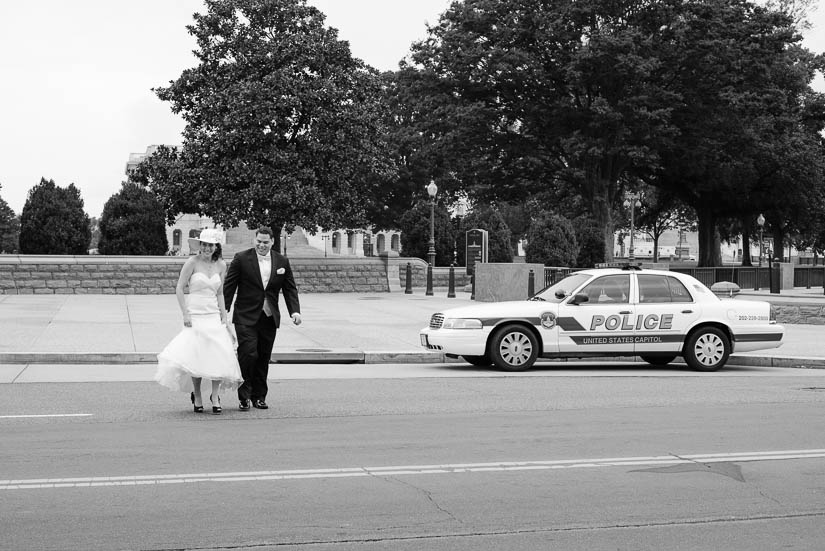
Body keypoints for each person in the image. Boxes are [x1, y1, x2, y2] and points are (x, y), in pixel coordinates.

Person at [155, 228, 243, 414]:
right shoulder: (191, 262)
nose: (206, 248)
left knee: (219, 353)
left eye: (210, 245)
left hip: (213, 314)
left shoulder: (221, 265)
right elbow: (179, 288)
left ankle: (215, 395)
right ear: (199, 245)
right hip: (195, 314)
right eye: (203, 244)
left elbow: (219, 292)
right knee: (197, 355)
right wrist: (185, 314)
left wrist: (224, 316)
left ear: (215, 246)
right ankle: (197, 394)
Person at [224, 226, 301, 411]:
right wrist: (222, 311)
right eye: (259, 241)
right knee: (248, 354)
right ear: (254, 240)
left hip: (268, 317)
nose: (262, 245)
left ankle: (259, 396)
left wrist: (295, 311)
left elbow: (289, 288)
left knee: (263, 358)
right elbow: (229, 286)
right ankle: (244, 397)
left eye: (265, 242)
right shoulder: (241, 258)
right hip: (245, 315)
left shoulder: (282, 261)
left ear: (272, 242)